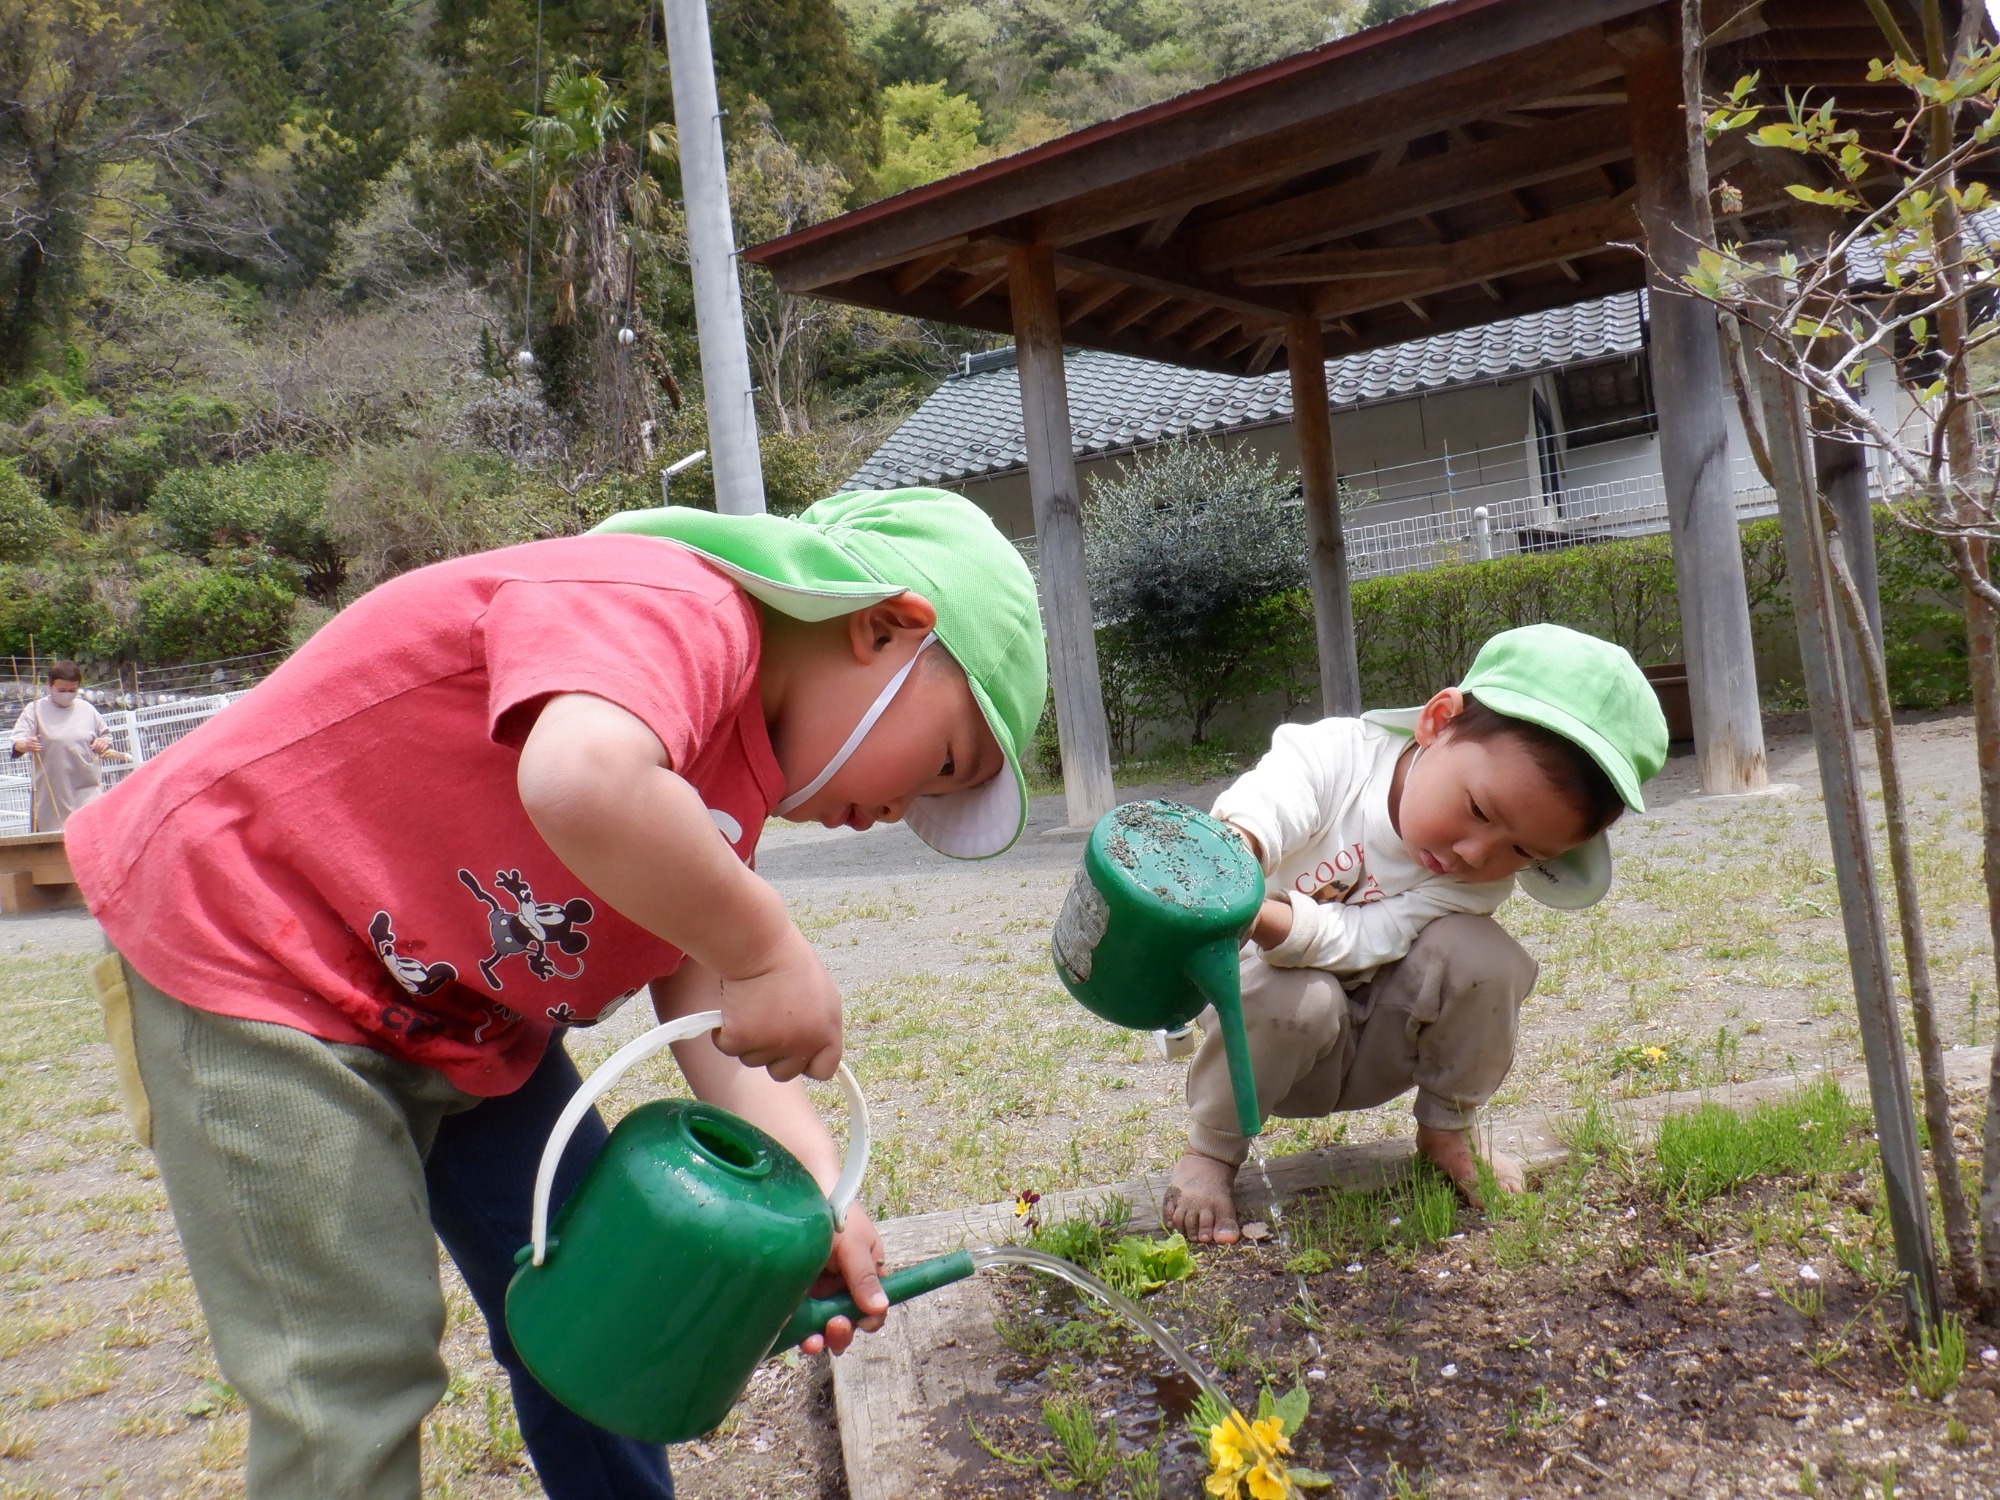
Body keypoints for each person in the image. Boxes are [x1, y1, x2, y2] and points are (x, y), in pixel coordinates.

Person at [64, 487, 1047, 1499]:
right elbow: (581, 778)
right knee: (350, 1369)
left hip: (457, 1027)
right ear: (883, 627)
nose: (896, 810)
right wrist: (767, 944)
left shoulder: (729, 794)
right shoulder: (669, 606)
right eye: (940, 764)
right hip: (252, 954)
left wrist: (813, 1191)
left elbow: (696, 987)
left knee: (604, 1298)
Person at [1162, 623, 1668, 1245]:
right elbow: (1267, 807)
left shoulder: (1476, 883)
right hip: (1268, 1041)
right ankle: (1212, 1153)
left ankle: (1447, 1128)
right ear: (1435, 721)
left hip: (1382, 1043)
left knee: (1487, 957)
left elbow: (1367, 935)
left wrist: (1267, 917)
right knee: (1302, 996)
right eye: (1480, 810)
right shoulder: (1338, 756)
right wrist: (1237, 857)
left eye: (1522, 852)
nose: (1473, 853)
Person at [11, 660, 113, 831]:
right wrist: (26, 744)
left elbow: (106, 735)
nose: (67, 694)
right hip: (52, 794)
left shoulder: (87, 709)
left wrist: (103, 743)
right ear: (50, 685)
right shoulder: (35, 709)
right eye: (62, 690)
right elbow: (17, 742)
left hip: (86, 790)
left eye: (72, 690)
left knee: (89, 835)